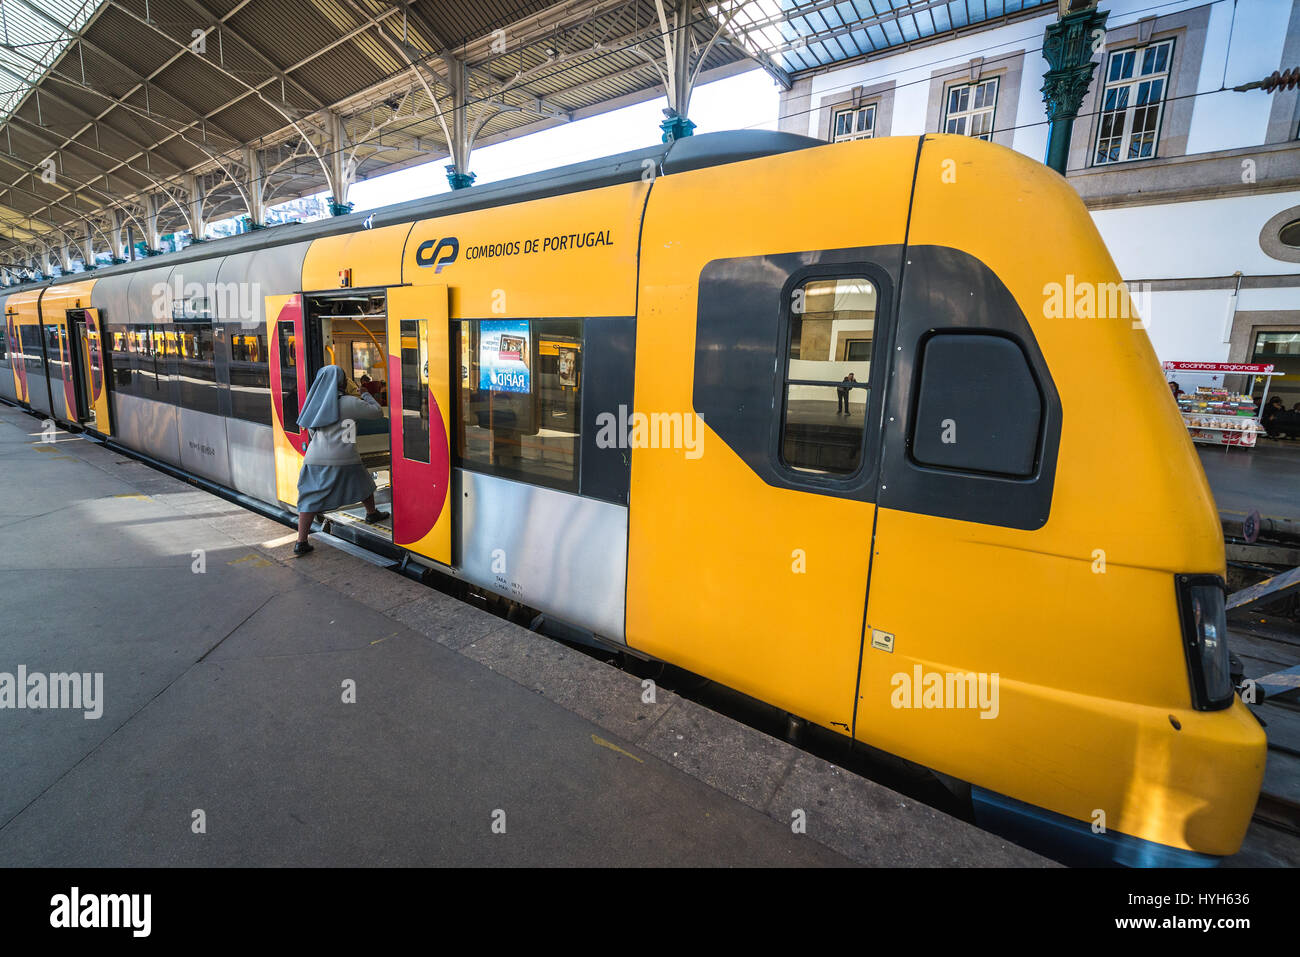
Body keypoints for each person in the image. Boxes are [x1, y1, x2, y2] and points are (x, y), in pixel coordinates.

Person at [294, 365, 389, 555]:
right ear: (342, 382)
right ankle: (371, 514)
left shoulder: (315, 403)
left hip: (315, 457)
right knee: (365, 485)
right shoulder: (348, 402)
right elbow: (377, 412)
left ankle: (301, 542)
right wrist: (365, 394)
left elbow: (312, 430)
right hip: (345, 456)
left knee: (309, 499)